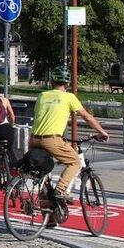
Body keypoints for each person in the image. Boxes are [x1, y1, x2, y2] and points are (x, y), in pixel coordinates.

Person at [31, 66, 109, 202]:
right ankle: (61, 190)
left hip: (34, 139)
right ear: (67, 84)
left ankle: (48, 216)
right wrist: (101, 132)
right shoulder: (68, 97)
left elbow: (42, 116)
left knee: (43, 174)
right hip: (51, 140)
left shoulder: (42, 96)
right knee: (74, 162)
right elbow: (86, 116)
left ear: (51, 81)